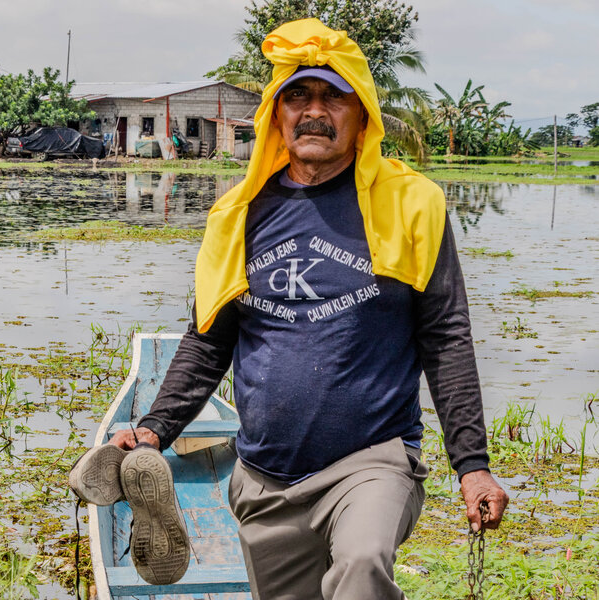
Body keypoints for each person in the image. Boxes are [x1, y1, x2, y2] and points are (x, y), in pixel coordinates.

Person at [105, 18, 509, 600]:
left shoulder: (411, 205)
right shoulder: (238, 216)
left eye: (332, 95)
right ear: (276, 113)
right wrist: (153, 431)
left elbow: (445, 338)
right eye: (297, 94)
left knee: (364, 561)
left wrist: (471, 463)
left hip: (371, 460)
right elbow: (208, 340)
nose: (313, 110)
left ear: (361, 114)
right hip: (266, 477)